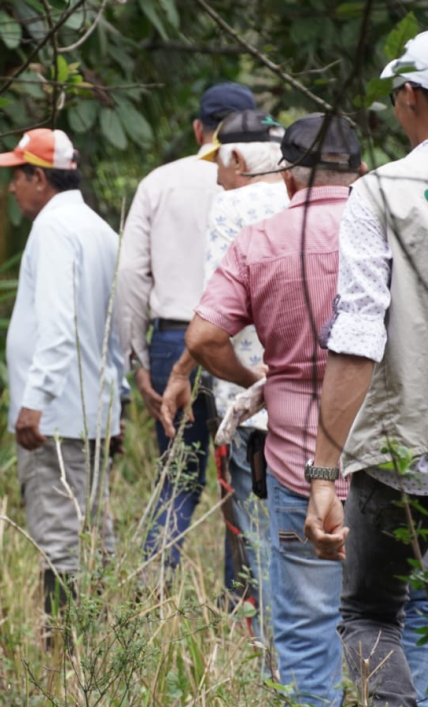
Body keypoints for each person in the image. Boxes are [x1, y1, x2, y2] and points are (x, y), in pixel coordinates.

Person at [172, 114, 361, 705]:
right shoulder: (394, 231)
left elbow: (203, 338)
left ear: (287, 180)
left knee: (306, 634)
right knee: (409, 623)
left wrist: (258, 376)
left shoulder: (261, 242)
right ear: (359, 172)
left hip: (299, 465)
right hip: (397, 460)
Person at [306, 32, 428, 707]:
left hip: (403, 461)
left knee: (372, 614)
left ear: (409, 95)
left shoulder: (382, 193)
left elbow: (357, 334)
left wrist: (325, 473)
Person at [114, 83, 257, 572]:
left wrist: (136, 357)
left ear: (200, 129)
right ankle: (243, 607)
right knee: (246, 481)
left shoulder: (160, 182)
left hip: (173, 336)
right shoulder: (267, 183)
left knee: (177, 478)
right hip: (242, 344)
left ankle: (151, 595)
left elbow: (131, 275)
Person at [0, 127, 123, 622]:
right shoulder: (100, 229)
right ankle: (106, 647)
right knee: (94, 535)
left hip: (56, 417)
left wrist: (34, 400)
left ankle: (64, 657)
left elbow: (59, 323)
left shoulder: (52, 230)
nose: (11, 188)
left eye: (17, 177)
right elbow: (116, 329)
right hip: (92, 414)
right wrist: (119, 402)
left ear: (40, 178)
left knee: (60, 542)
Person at [160, 109, 287, 623]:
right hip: (330, 410)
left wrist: (249, 380)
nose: (215, 174)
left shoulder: (232, 203)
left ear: (236, 157)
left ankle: (274, 674)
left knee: (261, 542)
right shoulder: (323, 199)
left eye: (218, 162)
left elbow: (217, 321)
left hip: (258, 415)